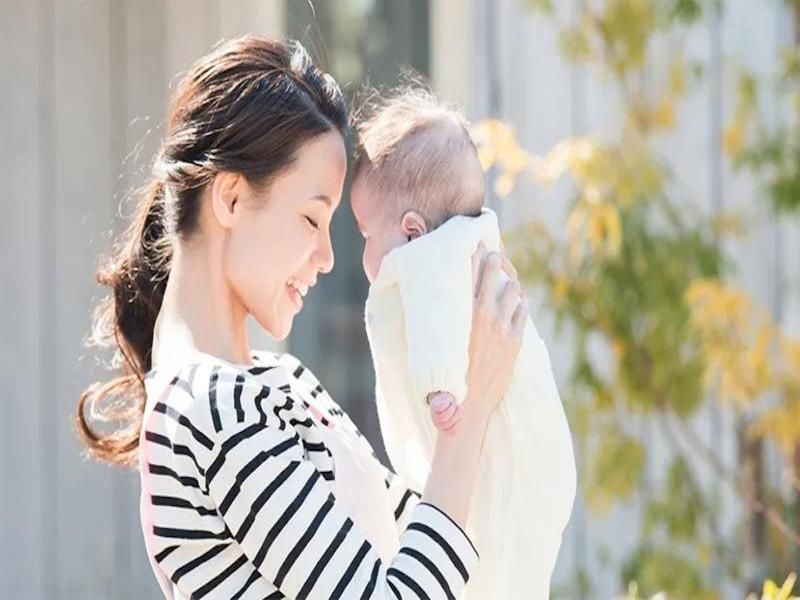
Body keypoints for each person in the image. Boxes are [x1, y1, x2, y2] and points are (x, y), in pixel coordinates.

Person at [77, 36, 527, 599]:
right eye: (313, 220)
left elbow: (422, 540)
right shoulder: (211, 408)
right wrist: (474, 404)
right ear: (230, 198)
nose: (328, 257)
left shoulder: (277, 381)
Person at [350, 85, 577, 599]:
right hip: (533, 454)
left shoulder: (434, 260)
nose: (361, 252)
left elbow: (436, 325)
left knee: (495, 561)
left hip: (511, 451)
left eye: (365, 235)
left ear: (411, 231)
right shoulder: (469, 249)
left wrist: (440, 390)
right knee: (510, 558)